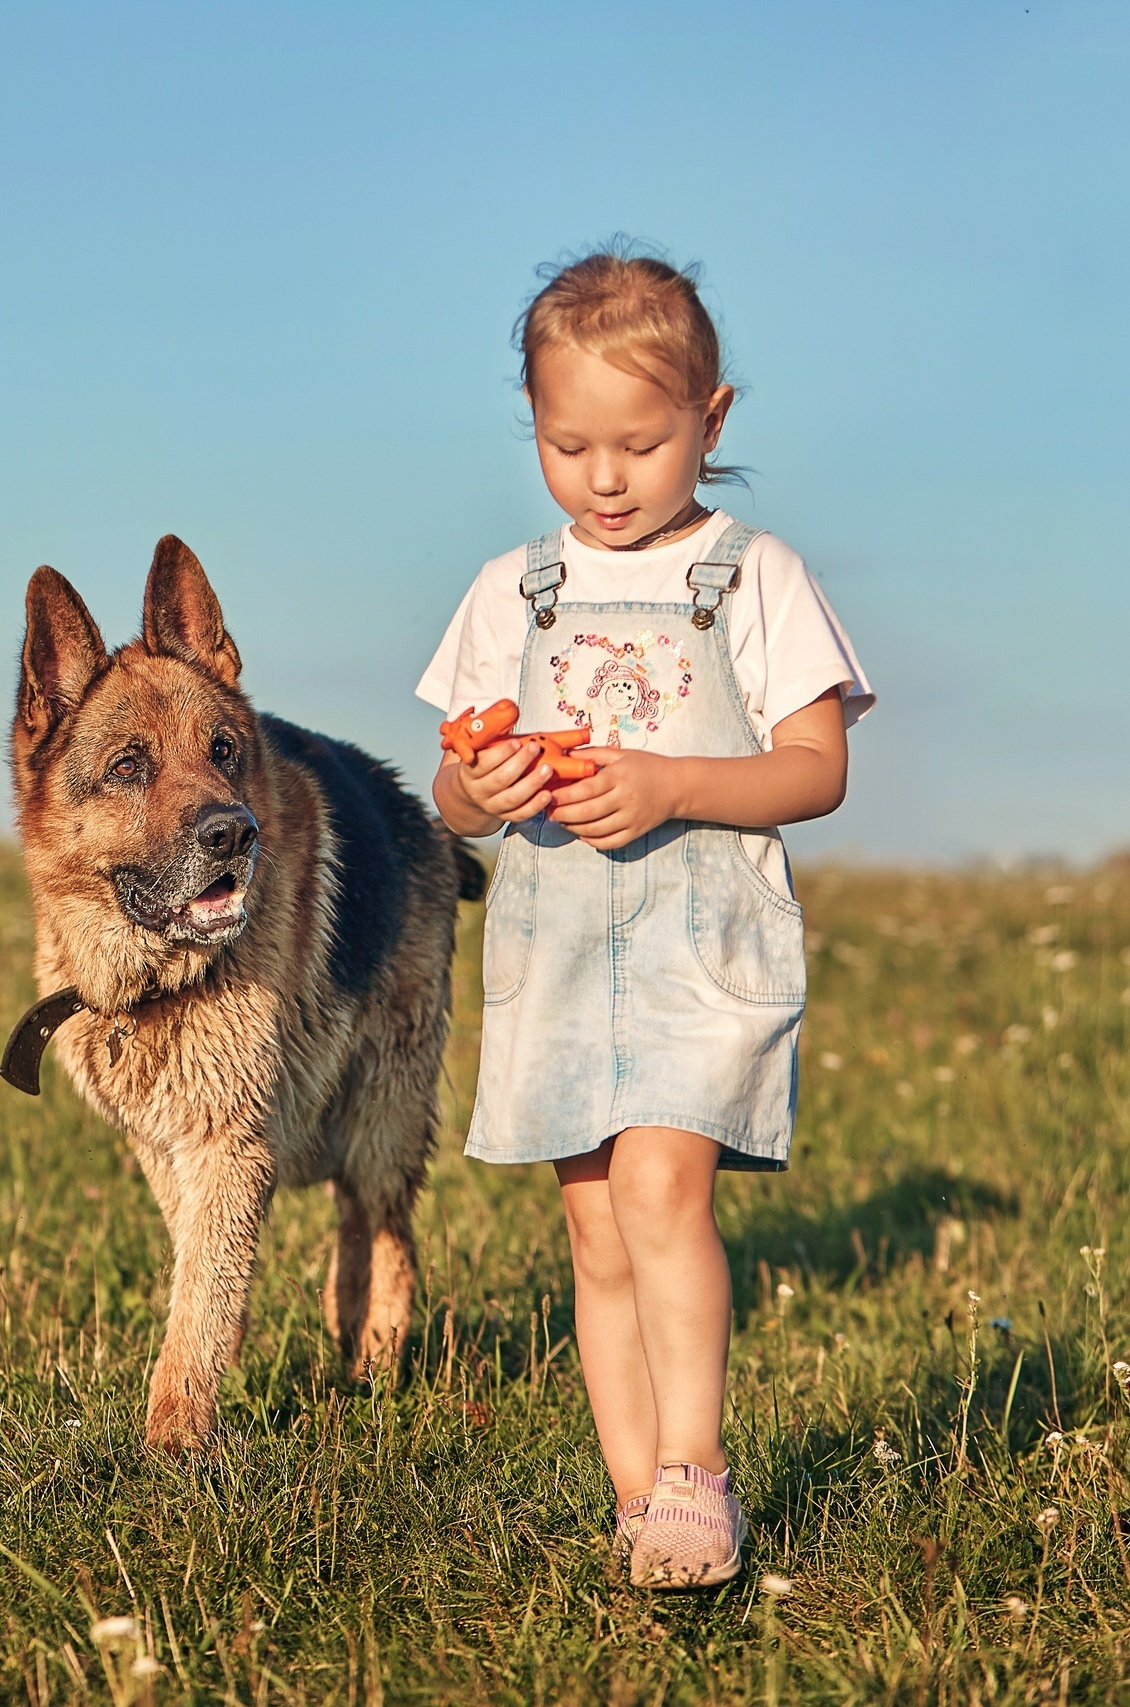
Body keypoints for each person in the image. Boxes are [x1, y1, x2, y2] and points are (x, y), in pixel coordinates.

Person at [417, 247, 874, 1588]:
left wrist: (675, 781)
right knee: (594, 1224)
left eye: (640, 443)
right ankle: (637, 1502)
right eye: (569, 446)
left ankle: (697, 1473)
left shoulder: (752, 576)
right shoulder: (515, 588)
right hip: (556, 943)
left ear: (712, 423)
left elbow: (817, 769)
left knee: (663, 1187)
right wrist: (476, 786)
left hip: (695, 939)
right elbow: (452, 793)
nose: (604, 480)